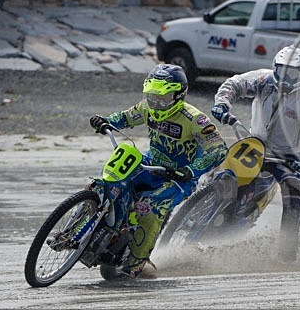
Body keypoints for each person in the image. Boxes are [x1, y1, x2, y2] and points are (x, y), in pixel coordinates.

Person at [90, 64, 227, 278]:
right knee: (107, 181)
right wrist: (106, 121)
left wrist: (191, 170)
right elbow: (125, 118)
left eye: (162, 99)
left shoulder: (195, 120)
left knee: (150, 209)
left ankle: (137, 261)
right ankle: (92, 229)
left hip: (179, 177)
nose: (156, 104)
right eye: (152, 97)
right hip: (150, 163)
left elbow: (218, 149)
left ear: (178, 95)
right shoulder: (147, 107)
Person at [210, 45, 300, 262]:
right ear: (275, 68)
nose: (286, 78)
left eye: (292, 74)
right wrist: (222, 104)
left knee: (294, 192)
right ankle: (197, 205)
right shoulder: (263, 80)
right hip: (254, 144)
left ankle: (286, 255)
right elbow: (235, 84)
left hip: (286, 158)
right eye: (282, 71)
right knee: (216, 166)